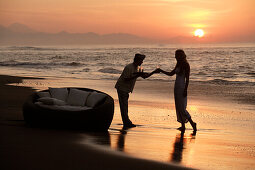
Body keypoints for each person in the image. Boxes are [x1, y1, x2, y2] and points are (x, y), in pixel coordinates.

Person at [115, 53, 158, 128]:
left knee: (124, 106)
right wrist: (137, 75)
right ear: (137, 60)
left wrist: (154, 72)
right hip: (122, 88)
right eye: (141, 60)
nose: (142, 62)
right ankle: (127, 122)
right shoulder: (129, 67)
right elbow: (126, 78)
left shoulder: (136, 68)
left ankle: (126, 122)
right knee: (124, 106)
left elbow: (145, 76)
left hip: (126, 89)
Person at [158, 49, 197, 132]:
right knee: (178, 107)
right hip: (176, 87)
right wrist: (161, 71)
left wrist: (186, 89)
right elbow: (171, 74)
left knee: (182, 108)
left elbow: (187, 79)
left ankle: (192, 123)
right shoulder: (178, 64)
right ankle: (183, 125)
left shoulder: (186, 65)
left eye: (176, 55)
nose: (175, 56)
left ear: (180, 56)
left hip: (182, 87)